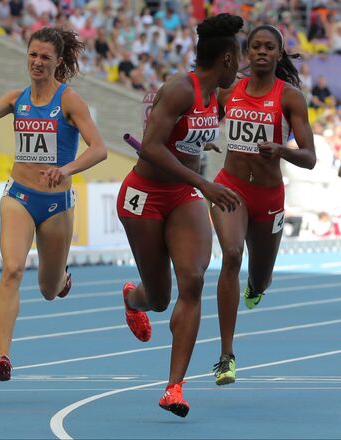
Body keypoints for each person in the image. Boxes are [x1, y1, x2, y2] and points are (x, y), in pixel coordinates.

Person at [0, 27, 107, 382]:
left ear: (58, 62)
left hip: (56, 204)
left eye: (45, 58)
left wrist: (65, 169)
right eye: (32, 55)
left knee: (48, 291)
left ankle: (61, 277)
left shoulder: (69, 101)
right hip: (19, 196)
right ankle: (3, 354)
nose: (37, 63)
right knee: (12, 269)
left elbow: (99, 148)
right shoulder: (15, 98)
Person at [116, 13, 243, 418]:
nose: (239, 67)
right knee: (158, 298)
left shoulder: (217, 97)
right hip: (143, 195)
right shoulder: (179, 90)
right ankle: (133, 297)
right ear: (225, 58)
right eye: (237, 58)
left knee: (193, 280)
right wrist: (204, 182)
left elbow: (192, 138)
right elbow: (151, 148)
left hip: (183, 195)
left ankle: (174, 387)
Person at [211, 24, 316, 386]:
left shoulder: (289, 98)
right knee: (231, 254)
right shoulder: (229, 93)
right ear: (246, 53)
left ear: (278, 54)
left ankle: (255, 287)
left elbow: (310, 158)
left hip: (269, 198)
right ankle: (226, 356)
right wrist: (206, 138)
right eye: (254, 46)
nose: (261, 52)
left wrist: (281, 150)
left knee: (260, 276)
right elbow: (206, 121)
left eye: (268, 47)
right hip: (231, 188)